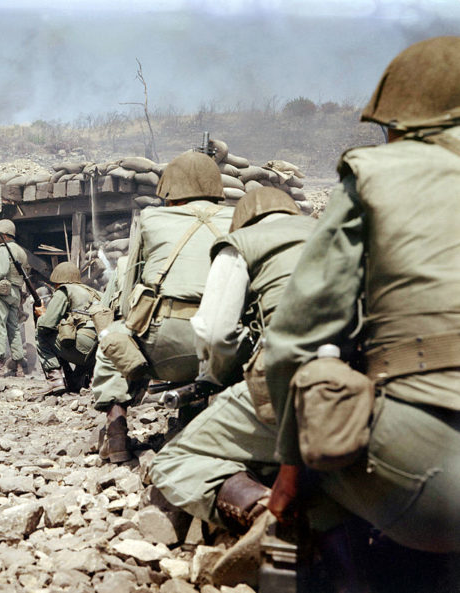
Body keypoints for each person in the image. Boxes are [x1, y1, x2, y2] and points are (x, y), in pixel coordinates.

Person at [265, 36, 460, 556]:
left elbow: (295, 338)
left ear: (404, 123)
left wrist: (291, 463)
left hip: (438, 482)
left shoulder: (379, 174)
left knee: (318, 452)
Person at [149, 187, 316, 586]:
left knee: (172, 461)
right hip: (366, 385)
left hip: (293, 387)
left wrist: (217, 378)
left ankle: (264, 514)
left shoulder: (240, 244)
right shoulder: (335, 229)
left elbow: (216, 333)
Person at [91, 150, 234, 463]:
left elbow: (131, 286)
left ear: (171, 191)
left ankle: (116, 433)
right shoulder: (237, 218)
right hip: (222, 347)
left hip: (163, 341)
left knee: (113, 338)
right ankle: (195, 426)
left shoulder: (152, 218)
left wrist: (129, 333)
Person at [36, 261, 101, 396]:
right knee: (72, 334)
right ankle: (81, 381)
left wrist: (42, 314)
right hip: (100, 351)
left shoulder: (64, 290)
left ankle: (55, 381)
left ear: (58, 281)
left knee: (42, 334)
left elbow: (46, 324)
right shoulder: (94, 292)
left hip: (83, 348)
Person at [0, 218, 29, 377]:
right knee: (14, 328)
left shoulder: (4, 249)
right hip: (16, 293)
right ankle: (19, 366)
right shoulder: (21, 251)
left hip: (3, 291)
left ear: (4, 235)